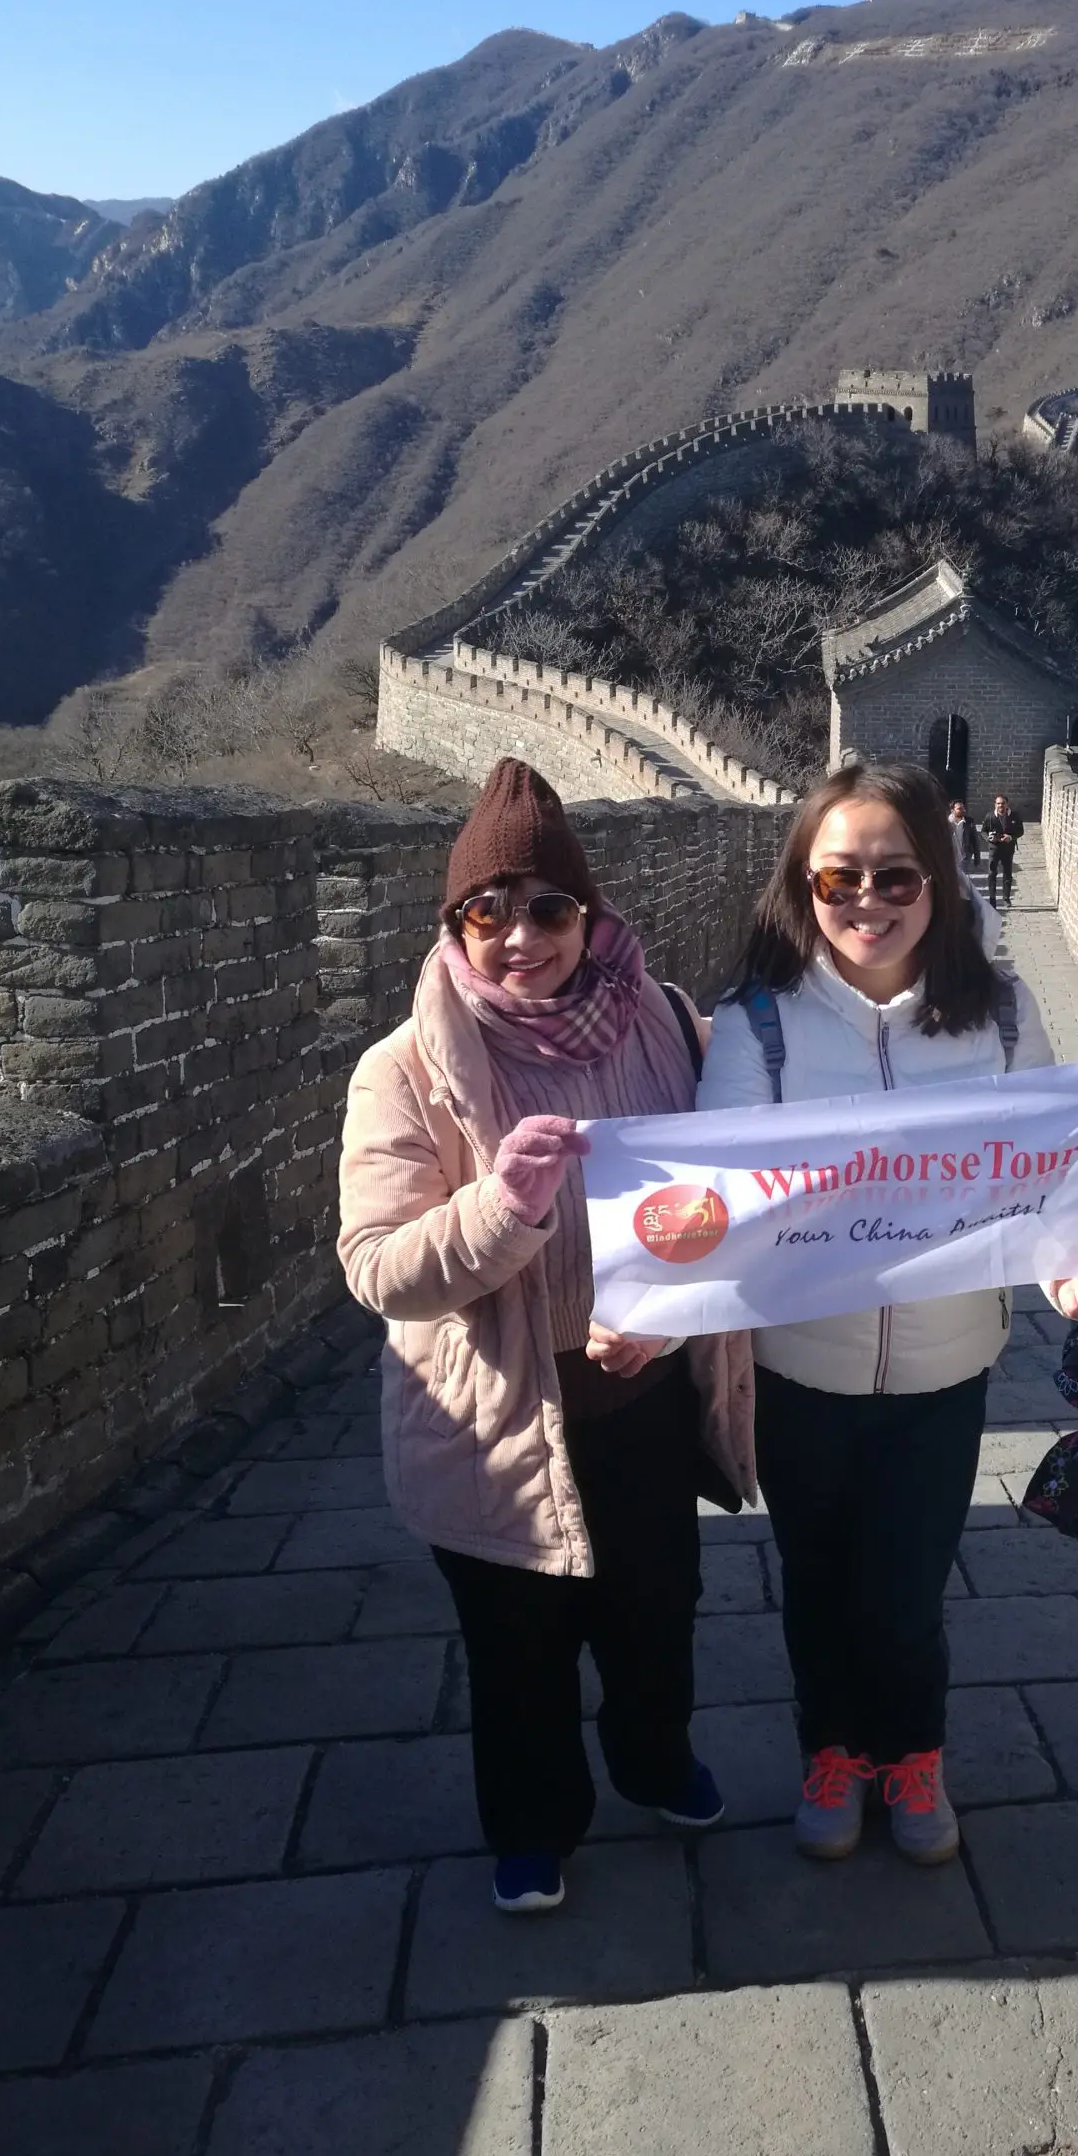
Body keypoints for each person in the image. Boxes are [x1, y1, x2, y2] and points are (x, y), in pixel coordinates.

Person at [338, 757, 753, 1915]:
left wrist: (672, 1315)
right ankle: (532, 1827)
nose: (521, 938)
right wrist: (501, 1209)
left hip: (645, 1404)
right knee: (517, 1645)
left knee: (656, 1615)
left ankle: (655, 1762)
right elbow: (378, 1267)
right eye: (489, 913)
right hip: (497, 1413)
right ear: (454, 924)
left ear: (589, 914)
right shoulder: (404, 1071)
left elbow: (736, 1191)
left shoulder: (669, 1025)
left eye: (549, 909)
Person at [698, 760, 1078, 1866]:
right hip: (801, 1372)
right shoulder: (759, 1024)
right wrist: (650, 1297)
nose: (868, 900)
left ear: (939, 876)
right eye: (839, 877)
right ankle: (832, 1751)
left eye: (896, 875)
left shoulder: (1001, 1015)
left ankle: (912, 1751)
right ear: (804, 883)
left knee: (906, 1592)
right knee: (818, 1585)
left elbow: (1047, 1177)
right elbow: (716, 1195)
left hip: (944, 1368)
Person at [981, 793, 1023, 908]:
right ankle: (992, 899)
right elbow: (983, 831)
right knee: (992, 874)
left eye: (1003, 803)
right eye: (998, 803)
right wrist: (988, 838)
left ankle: (1006, 898)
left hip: (1008, 848)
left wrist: (1011, 837)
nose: (1001, 805)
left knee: (1007, 873)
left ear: (1007, 804)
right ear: (995, 804)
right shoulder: (990, 816)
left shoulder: (1014, 816)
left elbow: (1020, 831)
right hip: (994, 848)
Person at [947, 797, 980, 875]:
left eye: (963, 808)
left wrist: (977, 857)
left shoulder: (969, 822)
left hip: (964, 855)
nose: (963, 810)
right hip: (950, 856)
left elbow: (975, 840)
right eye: (959, 809)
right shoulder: (946, 822)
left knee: (961, 874)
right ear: (952, 810)